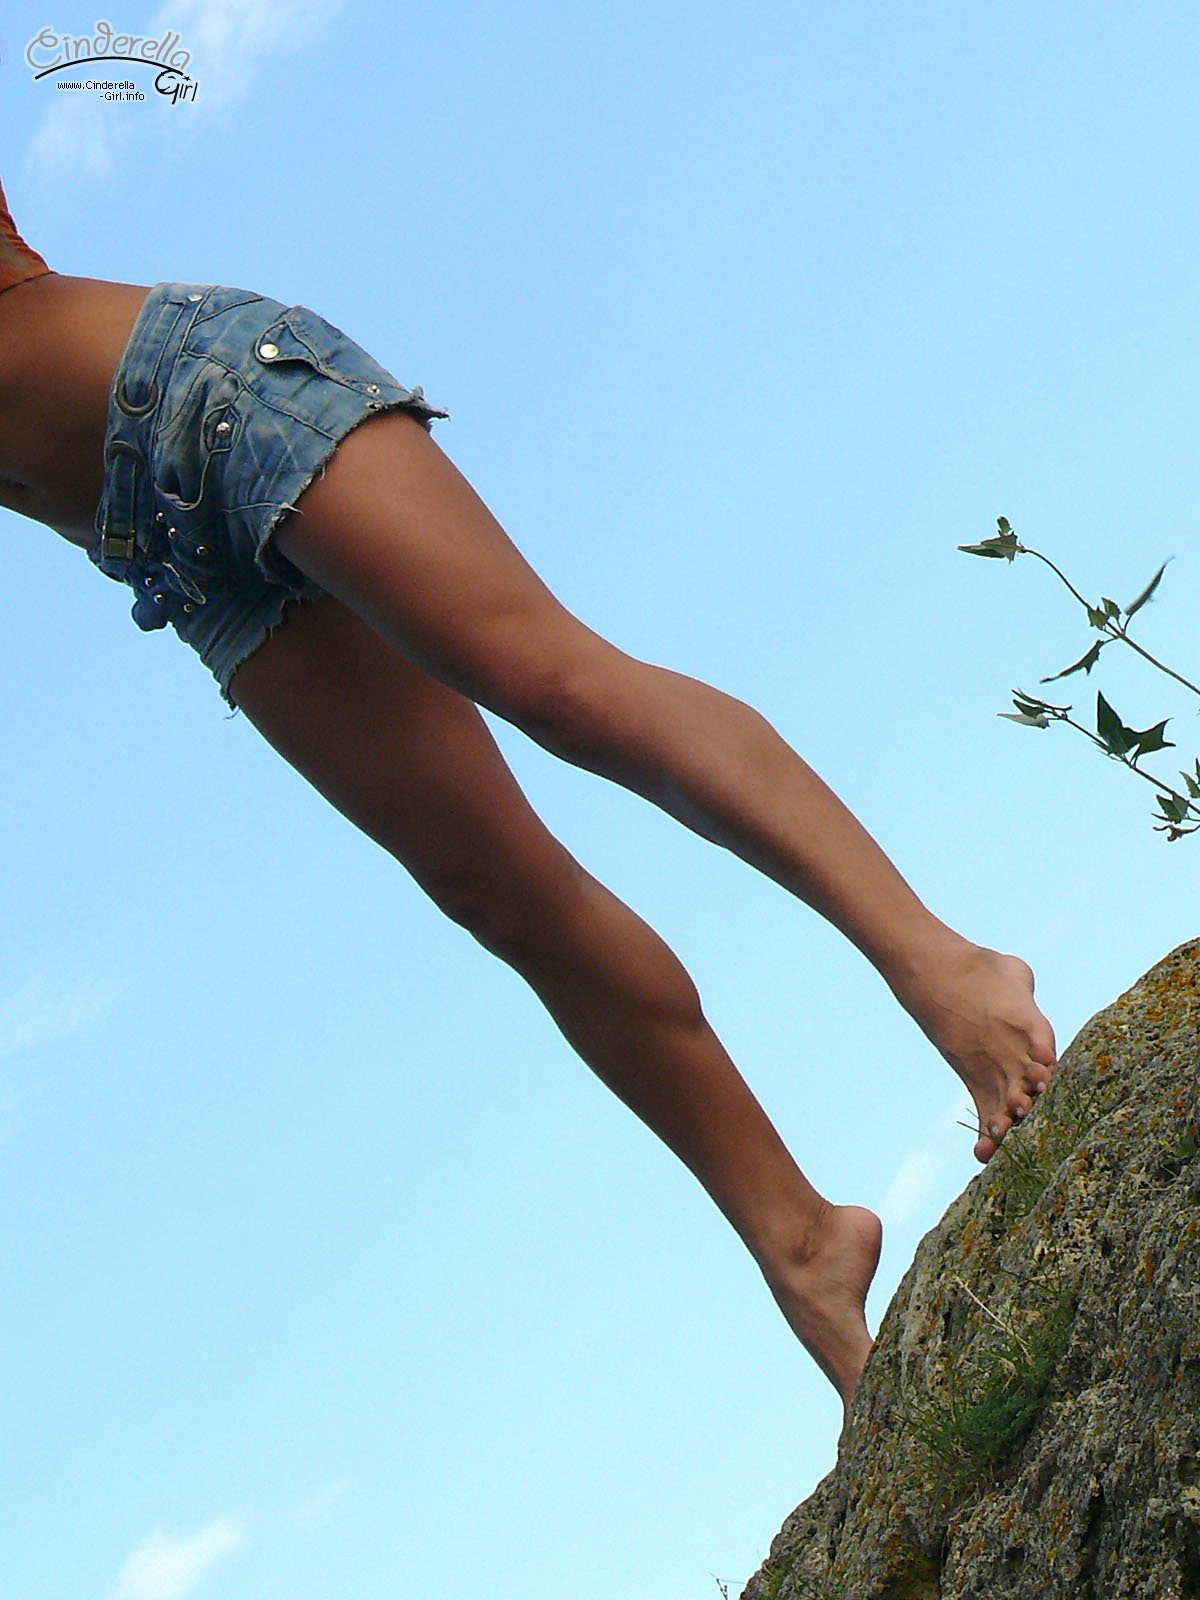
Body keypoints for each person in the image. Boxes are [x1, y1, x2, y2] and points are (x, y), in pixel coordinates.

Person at [0, 179, 1057, 1425]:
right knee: (495, 892)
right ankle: (803, 1243)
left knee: (557, 686)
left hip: (210, 393)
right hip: (165, 550)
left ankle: (946, 968)